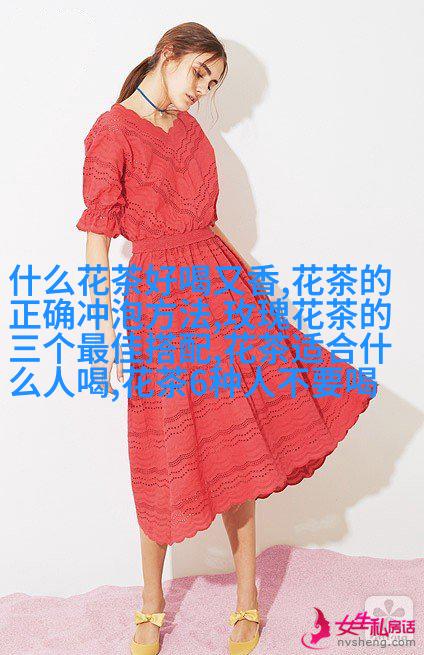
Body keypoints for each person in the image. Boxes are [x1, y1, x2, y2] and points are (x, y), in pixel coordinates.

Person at [76, 21, 377, 655]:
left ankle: (247, 601)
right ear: (167, 55)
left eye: (213, 83)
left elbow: (207, 225)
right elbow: (97, 240)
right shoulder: (111, 131)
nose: (203, 90)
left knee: (242, 438)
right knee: (162, 450)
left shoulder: (190, 131)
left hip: (223, 291)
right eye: (199, 74)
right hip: (158, 304)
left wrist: (252, 286)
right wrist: (103, 329)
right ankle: (151, 607)